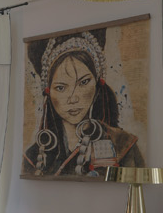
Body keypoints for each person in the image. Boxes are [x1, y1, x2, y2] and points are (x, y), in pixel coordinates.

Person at [23, 32, 144, 178]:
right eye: (60, 88)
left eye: (83, 82)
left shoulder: (122, 145)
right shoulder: (33, 157)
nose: (73, 98)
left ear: (97, 84)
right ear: (48, 93)